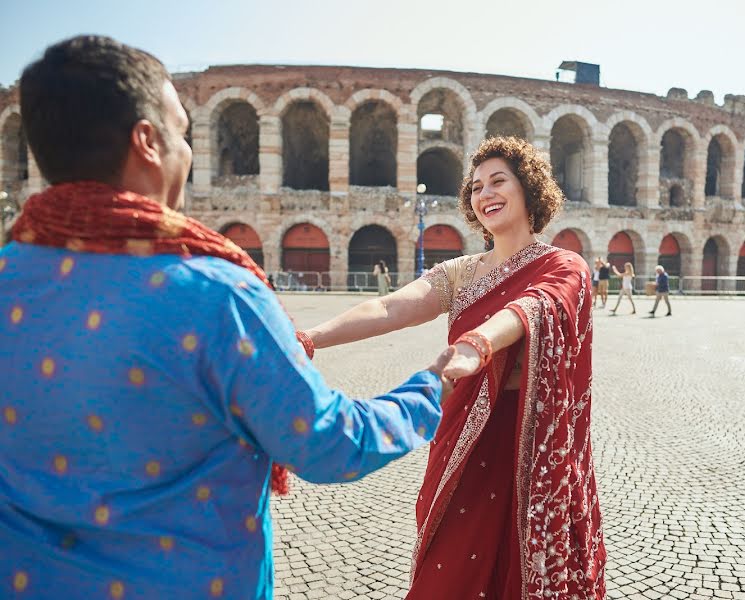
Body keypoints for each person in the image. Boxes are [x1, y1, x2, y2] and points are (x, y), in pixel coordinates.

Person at [0, 36, 453, 600]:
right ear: (147, 142)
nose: (189, 154)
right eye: (183, 135)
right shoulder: (218, 296)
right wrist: (429, 389)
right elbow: (329, 443)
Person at [303, 137, 606, 599]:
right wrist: (311, 337)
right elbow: (389, 308)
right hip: (463, 441)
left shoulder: (563, 265)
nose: (485, 194)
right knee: (450, 571)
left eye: (498, 181)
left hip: (526, 448)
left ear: (529, 189)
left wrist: (477, 344)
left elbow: (534, 307)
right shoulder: (462, 272)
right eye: (476, 186)